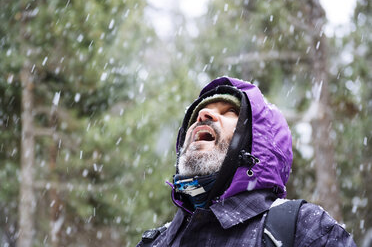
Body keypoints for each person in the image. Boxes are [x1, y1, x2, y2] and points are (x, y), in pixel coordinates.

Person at [137, 76, 356, 246]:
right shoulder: (154, 242)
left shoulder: (304, 228)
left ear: (256, 143)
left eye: (230, 111)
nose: (203, 114)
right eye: (197, 115)